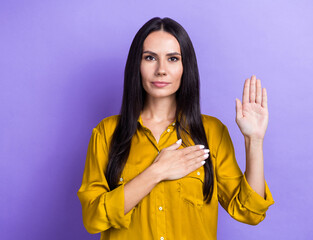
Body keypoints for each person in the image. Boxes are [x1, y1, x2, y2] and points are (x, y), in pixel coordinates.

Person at [77, 17, 275, 240]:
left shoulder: (212, 132)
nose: (161, 70)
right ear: (137, 65)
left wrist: (254, 141)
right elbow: (93, 218)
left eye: (172, 58)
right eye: (150, 58)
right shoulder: (107, 132)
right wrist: (156, 172)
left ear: (185, 67)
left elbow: (250, 212)